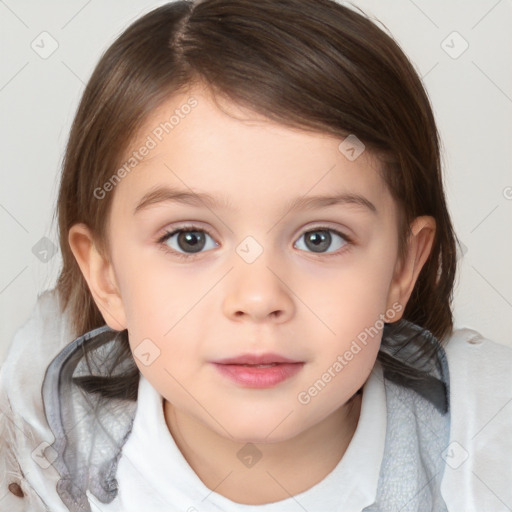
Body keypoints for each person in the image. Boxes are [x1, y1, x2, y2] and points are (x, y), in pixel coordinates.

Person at [1, 0, 511, 510]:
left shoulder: (485, 459)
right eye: (190, 239)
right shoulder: (40, 465)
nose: (259, 298)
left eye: (320, 238)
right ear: (106, 277)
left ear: (402, 269)